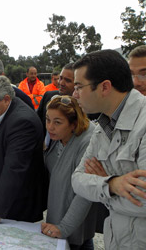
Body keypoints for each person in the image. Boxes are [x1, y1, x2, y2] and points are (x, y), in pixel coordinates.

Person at [71, 49, 146, 249]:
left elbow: (143, 201)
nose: (74, 94)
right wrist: (112, 184)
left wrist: (101, 187)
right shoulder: (102, 127)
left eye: (79, 86)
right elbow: (77, 180)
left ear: (104, 87)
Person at [0, 74, 47, 223]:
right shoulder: (0, 110)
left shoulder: (22, 122)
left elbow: (14, 169)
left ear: (6, 99)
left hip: (17, 207)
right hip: (6, 202)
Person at [42, 95, 98, 249]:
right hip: (56, 222)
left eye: (57, 122)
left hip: (74, 227)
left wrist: (64, 227)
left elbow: (85, 193)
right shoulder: (54, 137)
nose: (50, 127)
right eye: (47, 120)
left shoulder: (87, 143)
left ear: (74, 124)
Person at [37, 63, 75, 136]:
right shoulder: (48, 96)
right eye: (60, 78)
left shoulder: (82, 107)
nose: (61, 83)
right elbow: (37, 121)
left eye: (67, 80)